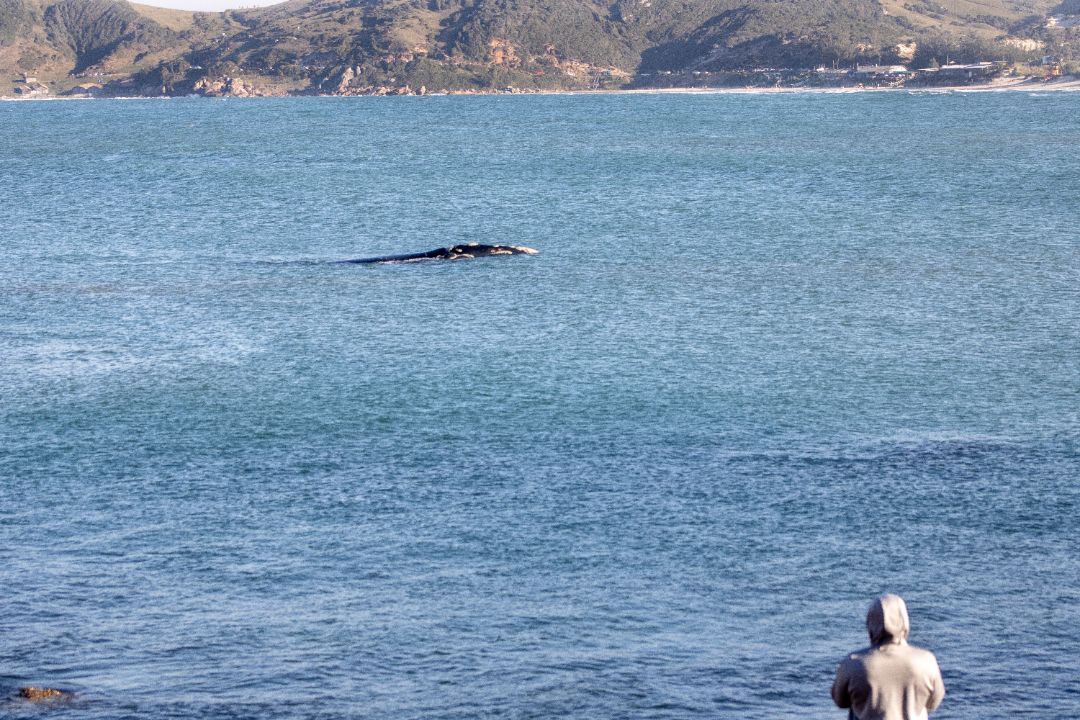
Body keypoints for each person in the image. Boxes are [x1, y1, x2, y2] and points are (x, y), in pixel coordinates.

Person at [831, 594, 945, 720]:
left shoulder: (853, 663)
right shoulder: (926, 660)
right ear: (904, 621)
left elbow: (840, 701)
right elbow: (933, 702)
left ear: (870, 623)